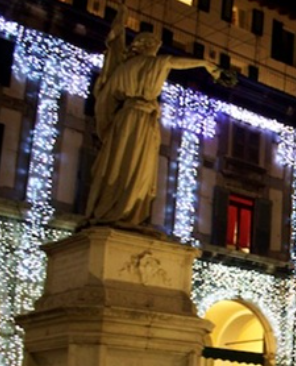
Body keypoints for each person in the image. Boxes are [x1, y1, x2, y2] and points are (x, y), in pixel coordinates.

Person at [86, 6, 223, 228]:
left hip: (124, 121)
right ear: (149, 47)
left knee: (119, 164)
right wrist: (205, 64)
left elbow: (105, 99)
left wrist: (107, 124)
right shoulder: (153, 63)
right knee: (138, 168)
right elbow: (174, 62)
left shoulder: (122, 70)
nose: (157, 51)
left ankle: (115, 208)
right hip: (141, 122)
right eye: (155, 47)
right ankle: (128, 212)